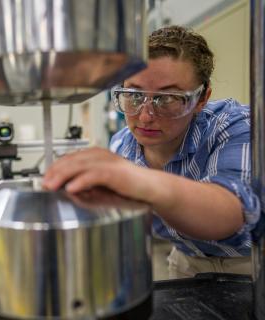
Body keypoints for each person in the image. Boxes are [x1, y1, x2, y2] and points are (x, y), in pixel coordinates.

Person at [42, 25, 261, 279]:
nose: (145, 116)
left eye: (167, 98)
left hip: (251, 261)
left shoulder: (235, 126)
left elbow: (231, 212)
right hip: (187, 260)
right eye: (133, 96)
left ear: (201, 98)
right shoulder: (123, 145)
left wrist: (137, 180)